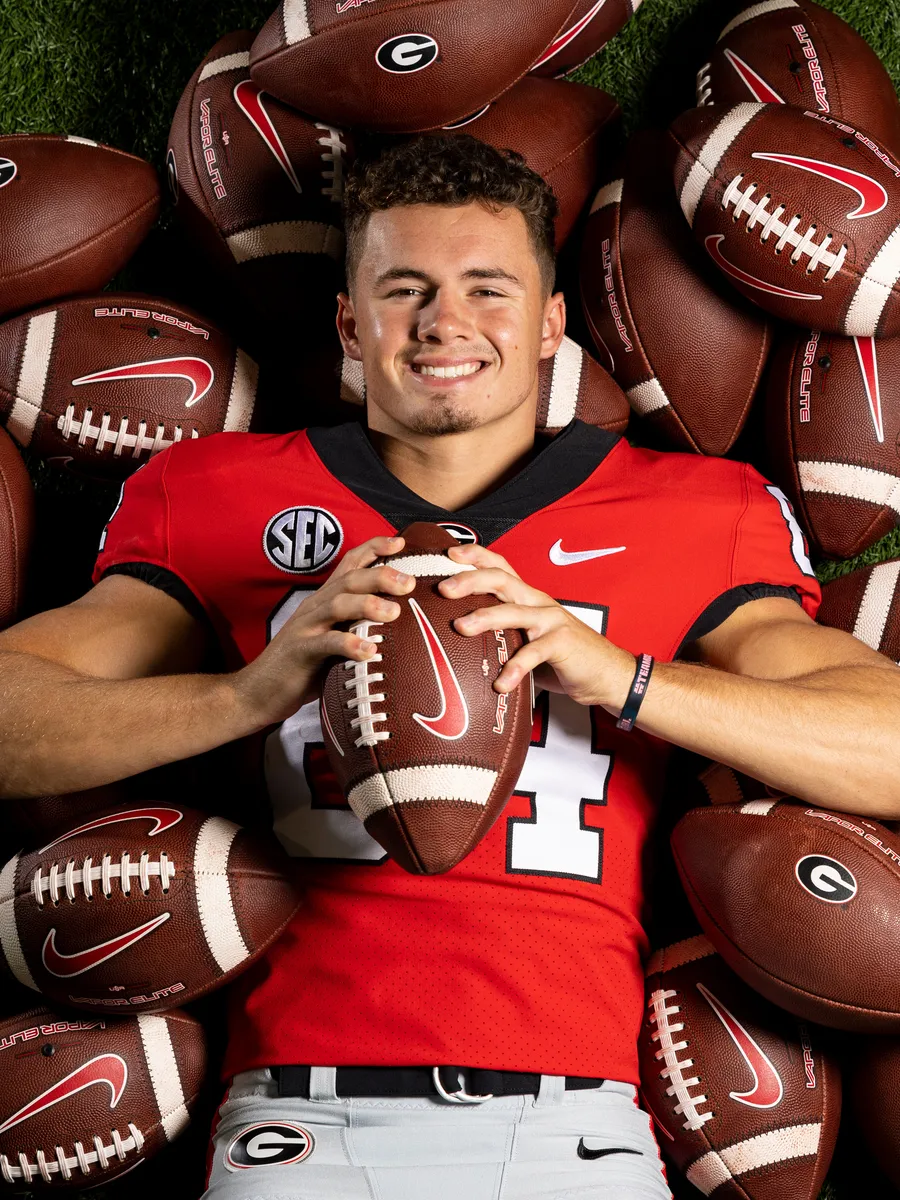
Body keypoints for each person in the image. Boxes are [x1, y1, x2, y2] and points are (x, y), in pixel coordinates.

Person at [1, 134, 898, 1200]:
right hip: (295, 1119)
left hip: (577, 1125)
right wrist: (248, 691)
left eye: (489, 288)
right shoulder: (216, 493)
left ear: (554, 324)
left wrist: (627, 677)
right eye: (403, 289)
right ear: (348, 322)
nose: (445, 323)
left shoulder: (696, 511)